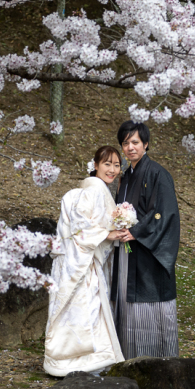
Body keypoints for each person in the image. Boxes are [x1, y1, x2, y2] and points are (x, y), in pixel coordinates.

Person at [43, 146, 128, 376]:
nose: (112, 170)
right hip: (82, 260)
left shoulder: (87, 188)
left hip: (74, 258)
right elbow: (81, 222)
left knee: (77, 310)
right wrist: (107, 234)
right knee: (85, 309)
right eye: (107, 164)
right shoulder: (94, 190)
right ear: (96, 165)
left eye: (116, 165)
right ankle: (83, 364)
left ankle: (65, 363)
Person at [111, 121, 181, 358]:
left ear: (146, 144)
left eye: (135, 142)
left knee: (146, 301)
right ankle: (127, 354)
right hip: (128, 249)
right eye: (125, 143)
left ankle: (153, 356)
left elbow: (164, 212)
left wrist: (137, 231)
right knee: (126, 297)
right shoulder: (126, 176)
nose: (130, 147)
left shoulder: (158, 174)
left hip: (146, 250)